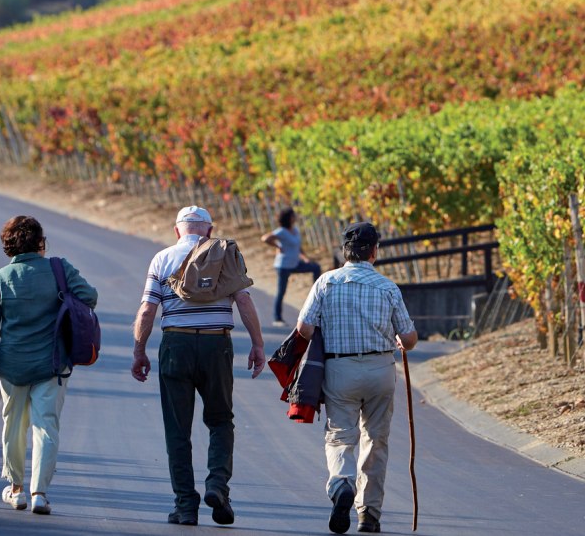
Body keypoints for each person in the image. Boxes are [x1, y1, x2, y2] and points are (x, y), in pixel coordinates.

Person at [130, 206, 265, 527]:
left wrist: (139, 350)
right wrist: (258, 344)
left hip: (176, 344)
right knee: (221, 420)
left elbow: (148, 309)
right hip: (217, 345)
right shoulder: (226, 255)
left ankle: (186, 506)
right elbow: (244, 301)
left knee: (178, 429)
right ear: (209, 229)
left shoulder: (162, 259)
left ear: (177, 231)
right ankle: (217, 484)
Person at [296, 222, 418, 534]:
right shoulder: (388, 287)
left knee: (340, 435)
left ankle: (341, 485)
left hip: (341, 369)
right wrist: (402, 340)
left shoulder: (327, 283)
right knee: (376, 440)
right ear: (374, 252)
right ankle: (370, 513)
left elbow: (304, 328)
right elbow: (409, 336)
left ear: (344, 251)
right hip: (380, 370)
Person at [0, 216, 98, 516]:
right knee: (46, 426)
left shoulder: (0, 279)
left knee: (14, 425)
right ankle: (39, 493)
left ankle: (16, 490)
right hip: (51, 364)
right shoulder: (60, 269)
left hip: (12, 366)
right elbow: (90, 297)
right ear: (40, 242)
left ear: (8, 245)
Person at [261, 207, 323, 327]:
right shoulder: (282, 231)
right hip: (283, 265)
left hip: (295, 263)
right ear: (289, 218)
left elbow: (298, 246)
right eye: (293, 215)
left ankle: (316, 294)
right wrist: (277, 246)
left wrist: (305, 257)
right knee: (281, 291)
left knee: (315, 267)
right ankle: (277, 318)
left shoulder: (295, 230)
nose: (295, 217)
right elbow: (265, 238)